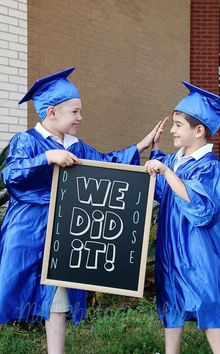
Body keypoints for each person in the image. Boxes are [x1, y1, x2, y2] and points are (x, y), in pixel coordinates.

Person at [0, 66, 158, 354]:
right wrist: (48, 157)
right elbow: (11, 174)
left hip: (65, 233)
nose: (80, 118)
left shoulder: (78, 147)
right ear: (52, 114)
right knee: (9, 290)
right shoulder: (27, 141)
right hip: (27, 231)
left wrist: (141, 146)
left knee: (57, 298)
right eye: (75, 112)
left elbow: (106, 164)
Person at [145, 81, 220, 354]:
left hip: (197, 252)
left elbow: (201, 209)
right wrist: (156, 155)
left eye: (178, 124)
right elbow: (161, 191)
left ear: (198, 130)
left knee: (208, 304)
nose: (172, 129)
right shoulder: (175, 161)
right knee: (171, 303)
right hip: (171, 248)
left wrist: (167, 172)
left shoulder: (209, 168)